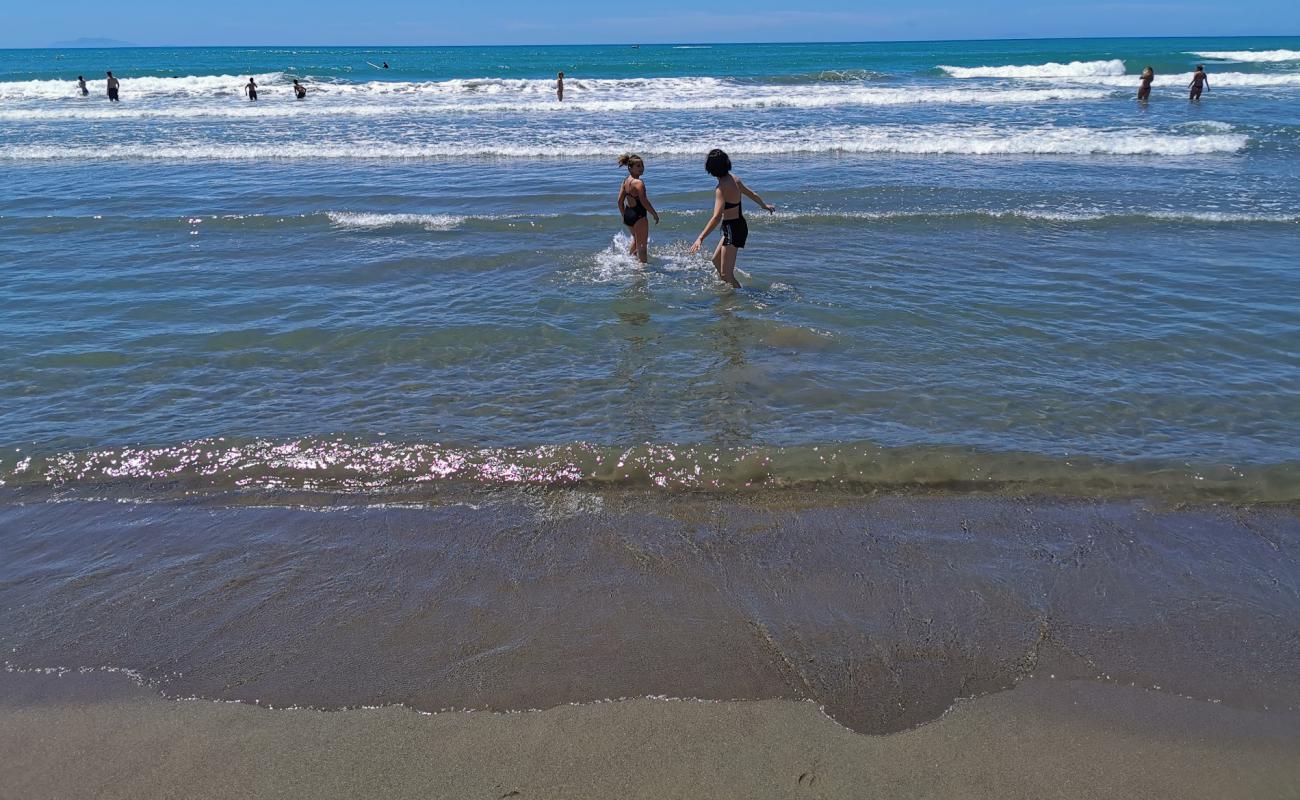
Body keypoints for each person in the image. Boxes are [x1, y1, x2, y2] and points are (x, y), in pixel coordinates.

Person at [688, 149, 775, 289]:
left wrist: (700, 238)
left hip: (733, 229)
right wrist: (763, 205)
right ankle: (732, 291)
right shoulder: (734, 178)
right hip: (737, 225)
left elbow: (716, 217)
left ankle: (736, 300)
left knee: (725, 275)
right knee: (715, 261)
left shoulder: (721, 189)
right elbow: (751, 193)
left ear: (711, 169)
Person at [616, 153, 660, 264]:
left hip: (628, 214)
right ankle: (642, 270)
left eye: (642, 165)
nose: (641, 168)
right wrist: (654, 214)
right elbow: (644, 201)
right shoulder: (639, 183)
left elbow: (620, 201)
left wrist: (624, 215)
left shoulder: (625, 181)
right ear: (630, 168)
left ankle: (629, 261)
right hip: (639, 215)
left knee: (636, 240)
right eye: (638, 166)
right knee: (642, 245)